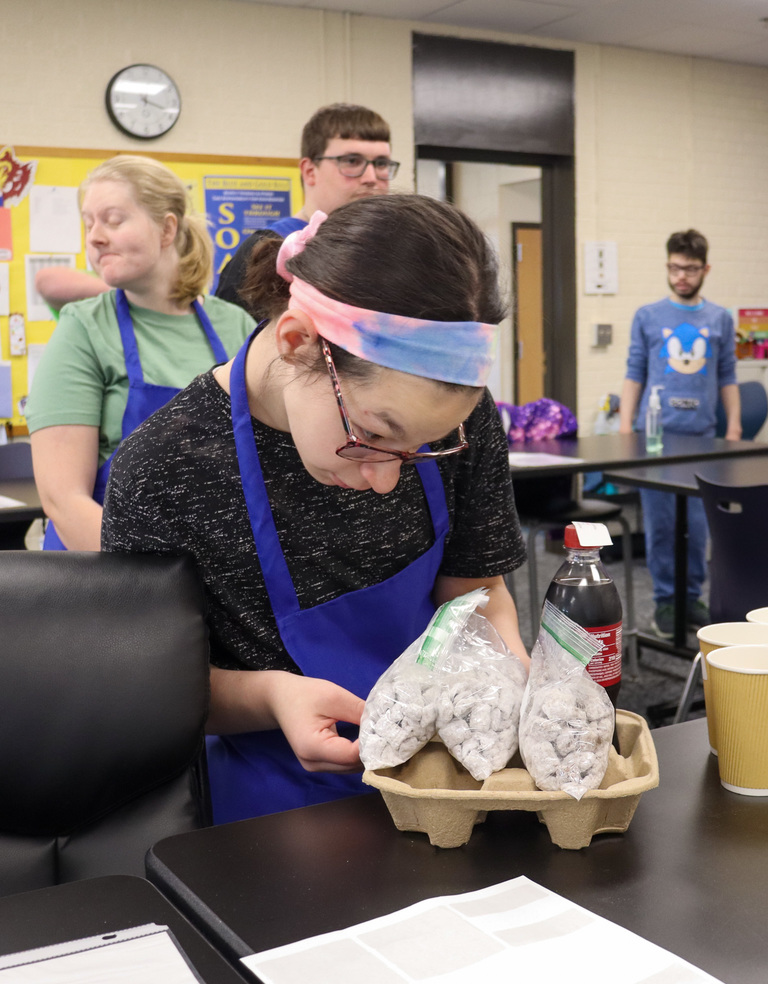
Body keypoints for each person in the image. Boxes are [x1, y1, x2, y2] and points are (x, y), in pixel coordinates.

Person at [102, 194, 528, 824]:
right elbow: (144, 689)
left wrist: (511, 691)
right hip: (269, 815)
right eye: (376, 434)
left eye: (424, 448)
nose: (387, 479)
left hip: (448, 790)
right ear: (298, 342)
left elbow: (476, 592)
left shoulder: (454, 422)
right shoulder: (165, 468)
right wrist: (270, 696)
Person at [25, 155, 256, 551]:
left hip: (219, 567)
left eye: (112, 220)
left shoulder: (235, 326)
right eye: (88, 224)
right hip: (110, 578)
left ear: (167, 228)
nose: (95, 237)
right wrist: (163, 584)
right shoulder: (85, 328)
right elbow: (64, 501)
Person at [619, 228, 741, 639]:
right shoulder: (649, 317)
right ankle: (667, 602)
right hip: (656, 440)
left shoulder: (720, 318)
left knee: (700, 526)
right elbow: (635, 372)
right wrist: (624, 427)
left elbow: (727, 376)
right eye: (674, 267)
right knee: (661, 524)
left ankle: (693, 597)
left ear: (705, 269)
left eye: (689, 269)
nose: (681, 276)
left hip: (704, 438)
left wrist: (735, 428)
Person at [214, 102, 395, 311]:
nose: (371, 178)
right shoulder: (267, 250)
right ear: (309, 171)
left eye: (381, 163)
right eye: (352, 161)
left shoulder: (390, 253)